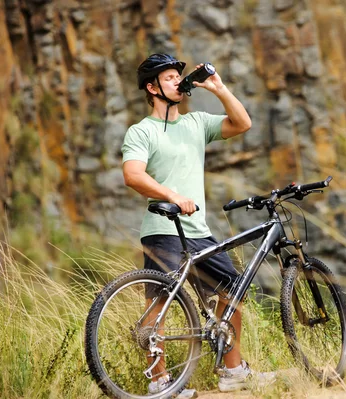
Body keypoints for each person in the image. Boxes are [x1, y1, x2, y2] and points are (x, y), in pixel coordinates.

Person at [121, 53, 274, 396]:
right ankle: (159, 383)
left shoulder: (196, 123)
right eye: (169, 77)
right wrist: (171, 195)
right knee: (158, 304)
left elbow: (242, 123)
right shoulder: (141, 131)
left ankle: (232, 371)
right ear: (152, 87)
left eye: (179, 75)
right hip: (162, 228)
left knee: (233, 289)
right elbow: (133, 175)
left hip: (198, 232)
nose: (178, 80)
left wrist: (219, 89)